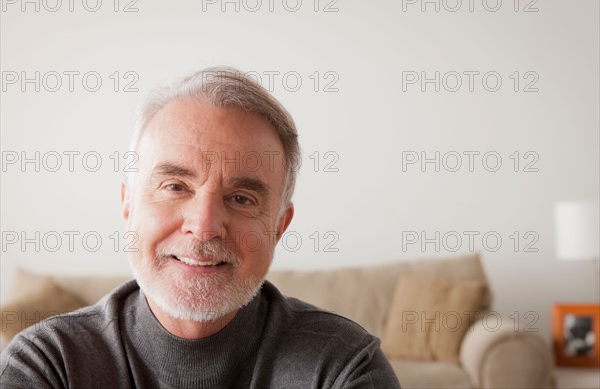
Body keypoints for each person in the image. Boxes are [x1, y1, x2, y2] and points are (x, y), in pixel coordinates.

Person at [0, 67, 401, 388]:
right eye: (175, 186)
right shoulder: (48, 365)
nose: (205, 226)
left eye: (242, 198)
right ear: (127, 203)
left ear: (279, 226)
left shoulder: (343, 367)